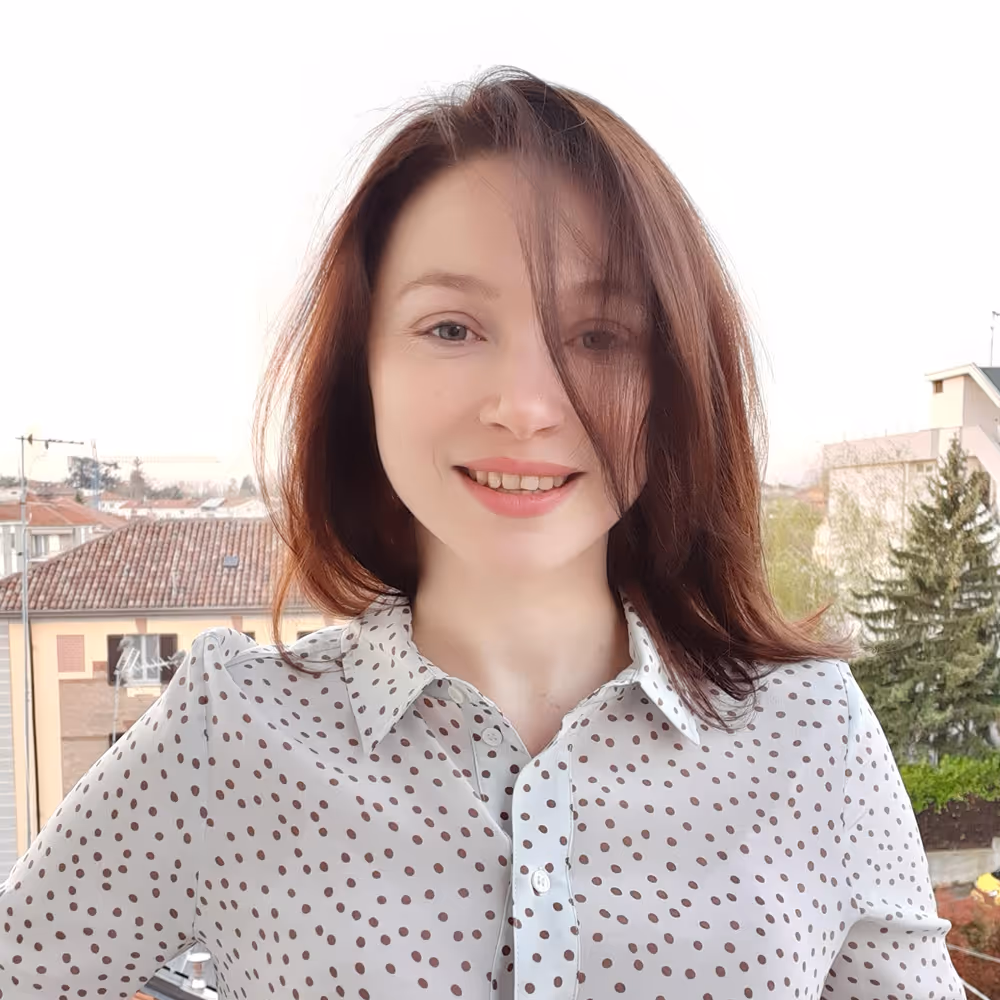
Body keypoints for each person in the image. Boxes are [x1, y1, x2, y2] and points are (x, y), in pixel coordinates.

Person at [0, 68, 962, 999]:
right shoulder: (231, 730)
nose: (525, 406)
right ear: (363, 371)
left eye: (600, 337)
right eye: (452, 328)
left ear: (674, 383)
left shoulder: (811, 733)